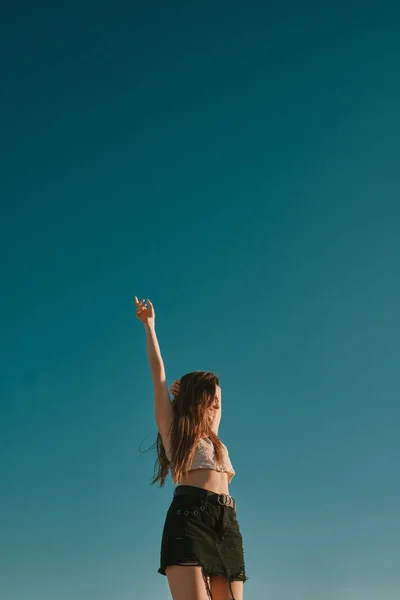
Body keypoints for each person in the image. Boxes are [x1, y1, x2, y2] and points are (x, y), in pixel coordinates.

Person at [135, 297, 248, 600]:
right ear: (198, 400)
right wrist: (150, 326)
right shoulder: (175, 431)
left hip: (227, 523)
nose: (216, 403)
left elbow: (217, 393)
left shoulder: (215, 437)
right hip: (190, 518)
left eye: (217, 399)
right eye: (210, 397)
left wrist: (188, 389)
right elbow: (158, 374)